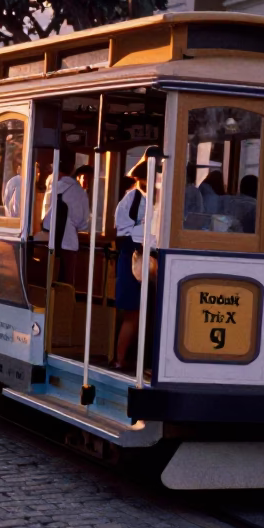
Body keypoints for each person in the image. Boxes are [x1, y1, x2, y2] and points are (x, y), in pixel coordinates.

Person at [113, 148, 157, 371]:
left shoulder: (162, 197)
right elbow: (122, 230)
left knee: (155, 310)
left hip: (155, 255)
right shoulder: (132, 198)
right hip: (136, 254)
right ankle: (121, 359)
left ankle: (147, 361)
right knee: (134, 310)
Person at [41, 150, 90, 283]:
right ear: (72, 167)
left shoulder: (49, 187)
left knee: (47, 281)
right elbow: (83, 223)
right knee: (65, 285)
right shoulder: (79, 192)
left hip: (46, 242)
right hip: (68, 244)